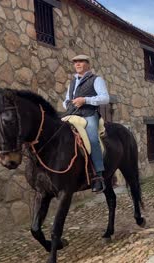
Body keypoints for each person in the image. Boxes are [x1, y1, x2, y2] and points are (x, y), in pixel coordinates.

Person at [63, 54, 109, 193]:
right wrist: (67, 104)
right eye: (75, 62)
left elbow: (105, 98)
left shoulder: (96, 79)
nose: (77, 64)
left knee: (92, 139)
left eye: (81, 61)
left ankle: (98, 176)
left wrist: (85, 100)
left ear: (88, 64)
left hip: (89, 114)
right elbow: (66, 100)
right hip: (72, 114)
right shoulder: (72, 82)